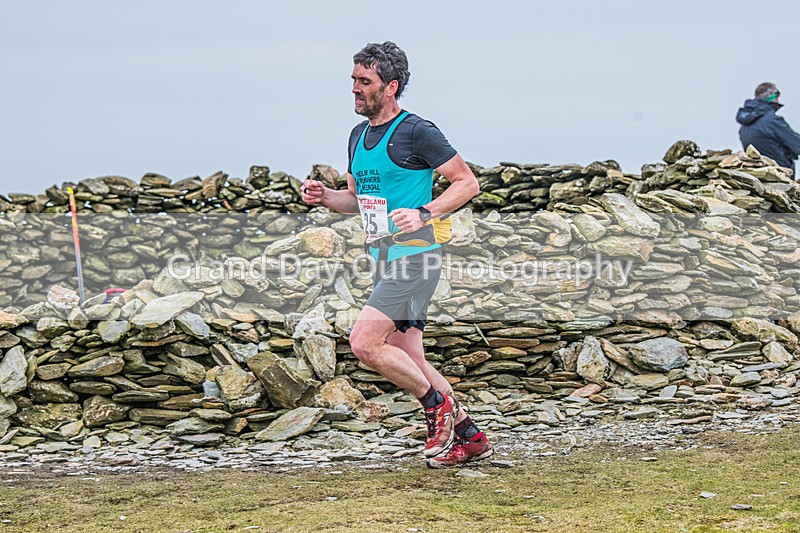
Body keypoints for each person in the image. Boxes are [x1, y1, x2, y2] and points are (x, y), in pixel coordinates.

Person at [301, 41, 492, 468]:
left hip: (416, 256)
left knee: (364, 342)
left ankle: (435, 408)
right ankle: (470, 436)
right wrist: (325, 196)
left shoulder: (416, 131)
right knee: (411, 357)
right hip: (383, 259)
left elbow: (466, 182)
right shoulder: (357, 136)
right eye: (352, 80)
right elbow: (357, 200)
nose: (354, 89)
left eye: (363, 81)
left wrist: (426, 212)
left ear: (391, 86)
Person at [736, 82, 800, 176]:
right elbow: (796, 144)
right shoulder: (772, 121)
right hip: (779, 176)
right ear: (773, 97)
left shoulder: (744, 125)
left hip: (758, 176)